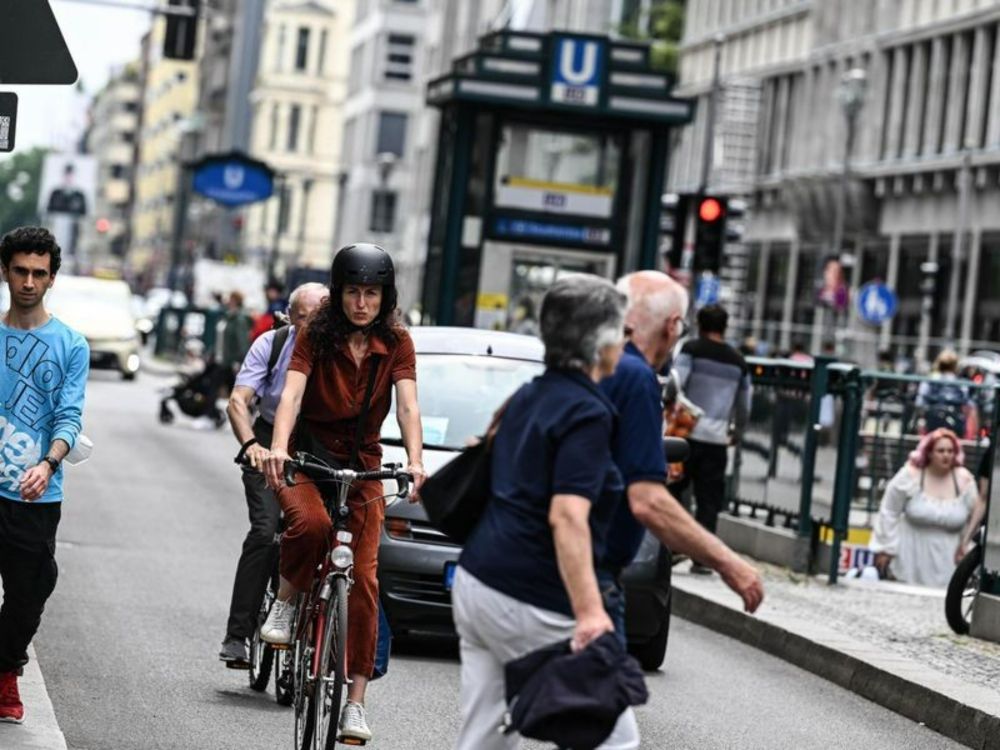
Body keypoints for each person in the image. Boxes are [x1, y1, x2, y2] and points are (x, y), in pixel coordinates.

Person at [453, 274, 630, 750]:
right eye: (622, 331)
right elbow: (567, 516)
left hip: (478, 581)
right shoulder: (588, 412)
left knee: (485, 737)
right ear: (603, 342)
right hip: (531, 594)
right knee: (612, 738)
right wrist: (591, 614)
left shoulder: (529, 395)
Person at [260, 243, 426, 743]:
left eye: (371, 293)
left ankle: (354, 705)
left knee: (366, 581)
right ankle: (287, 601)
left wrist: (416, 461)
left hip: (365, 468)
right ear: (339, 293)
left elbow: (409, 408)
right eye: (353, 292)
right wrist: (278, 448)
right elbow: (290, 393)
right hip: (309, 458)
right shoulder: (316, 333)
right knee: (309, 525)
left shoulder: (397, 340)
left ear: (385, 296)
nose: (361, 303)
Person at [599, 272, 763, 668]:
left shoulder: (592, 361)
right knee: (607, 717)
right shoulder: (636, 377)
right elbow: (648, 501)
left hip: (544, 570)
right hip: (587, 577)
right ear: (672, 326)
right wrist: (728, 562)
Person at [0, 226, 89, 724]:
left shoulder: (71, 344)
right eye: (20, 271)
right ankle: (6, 677)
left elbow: (69, 417)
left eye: (39, 273)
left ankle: (3, 665)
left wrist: (48, 461)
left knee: (30, 591)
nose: (28, 282)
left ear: (51, 278)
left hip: (36, 491)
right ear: (5, 271)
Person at [218, 282, 329, 665]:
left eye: (322, 317)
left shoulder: (338, 350)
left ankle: (321, 626)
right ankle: (237, 636)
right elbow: (238, 401)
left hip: (317, 445)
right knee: (266, 531)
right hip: (266, 441)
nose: (314, 326)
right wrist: (251, 447)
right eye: (306, 318)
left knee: (332, 530)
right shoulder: (272, 345)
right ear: (291, 318)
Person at [673, 304, 752, 572]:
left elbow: (676, 384)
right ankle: (704, 559)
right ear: (725, 327)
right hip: (717, 440)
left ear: (699, 324)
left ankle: (669, 547)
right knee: (709, 500)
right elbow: (744, 406)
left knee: (675, 490)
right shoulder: (738, 362)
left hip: (686, 435)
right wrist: (736, 433)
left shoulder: (691, 351)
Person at [871, 429, 978, 587]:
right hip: (910, 555)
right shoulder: (909, 475)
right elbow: (889, 511)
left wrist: (966, 546)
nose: (946, 455)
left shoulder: (965, 480)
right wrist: (886, 548)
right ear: (928, 453)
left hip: (949, 560)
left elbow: (975, 518)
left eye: (950, 451)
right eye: (940, 450)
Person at [917, 350, 977, 437]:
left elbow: (920, 403)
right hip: (956, 425)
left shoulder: (929, 380)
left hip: (931, 424)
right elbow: (969, 406)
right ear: (955, 366)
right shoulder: (961, 383)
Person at [220, 291, 252, 393]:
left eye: (230, 299)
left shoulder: (239, 319)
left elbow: (242, 341)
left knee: (234, 390)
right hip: (224, 360)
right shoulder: (228, 316)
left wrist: (239, 361)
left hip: (232, 361)